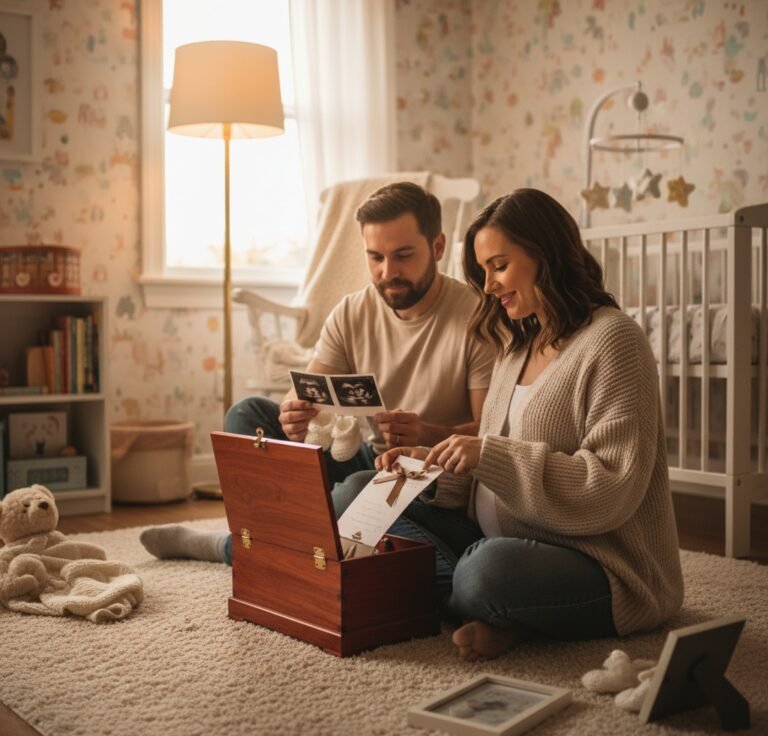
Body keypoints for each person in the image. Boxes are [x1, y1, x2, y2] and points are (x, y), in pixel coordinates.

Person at [375, 187, 684, 661]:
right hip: (498, 538)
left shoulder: (614, 340)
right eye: (483, 271)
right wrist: (431, 468)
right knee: (362, 491)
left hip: (599, 562)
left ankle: (467, 597)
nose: (488, 285)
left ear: (545, 255)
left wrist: (488, 455)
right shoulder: (517, 345)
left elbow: (610, 489)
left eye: (498, 266)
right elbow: (485, 475)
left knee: (485, 572)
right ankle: (501, 610)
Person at [140, 181, 496, 563]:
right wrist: (293, 416)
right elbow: (307, 391)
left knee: (354, 491)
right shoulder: (352, 312)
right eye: (375, 257)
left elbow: (491, 434)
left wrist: (426, 432)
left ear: (438, 247)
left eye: (403, 256)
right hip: (372, 458)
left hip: (432, 481)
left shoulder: (476, 317)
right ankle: (299, 538)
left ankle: (234, 547)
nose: (387, 271)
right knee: (248, 414)